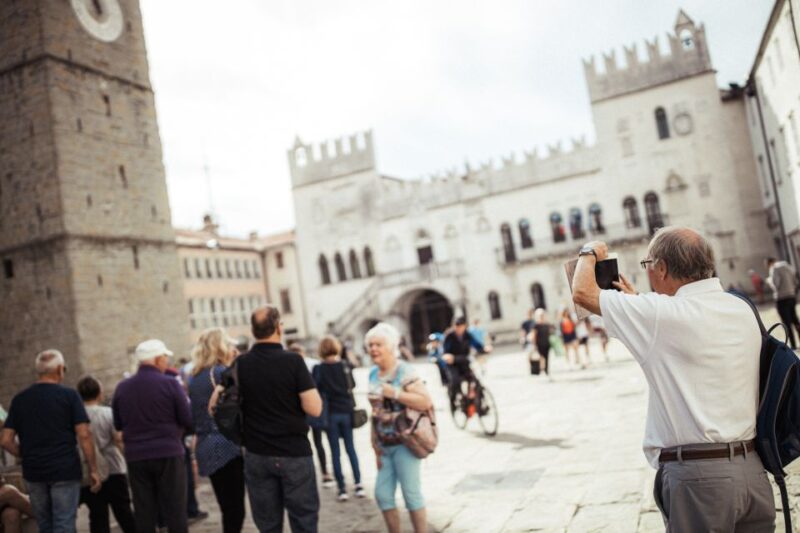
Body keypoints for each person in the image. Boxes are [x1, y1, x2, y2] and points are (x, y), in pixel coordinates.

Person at [572, 227, 775, 531]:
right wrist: (639, 303)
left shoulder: (660, 316)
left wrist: (590, 251)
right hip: (753, 473)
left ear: (662, 268)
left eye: (648, 264)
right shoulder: (740, 307)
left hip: (700, 480)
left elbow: (583, 293)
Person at [213, 305, 322, 533]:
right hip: (294, 452)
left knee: (268, 525)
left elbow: (213, 405)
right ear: (278, 327)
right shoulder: (293, 361)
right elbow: (314, 408)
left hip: (257, 453)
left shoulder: (240, 363)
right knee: (304, 521)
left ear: (253, 331)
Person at [0, 349, 101, 533]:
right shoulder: (70, 396)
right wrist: (93, 469)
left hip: (34, 472)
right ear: (60, 369)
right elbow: (84, 435)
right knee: (64, 523)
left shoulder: (20, 399)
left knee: (45, 525)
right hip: (64, 470)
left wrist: (24, 454)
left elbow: (6, 440)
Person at [112, 339, 193, 533]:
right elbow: (188, 419)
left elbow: (118, 424)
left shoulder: (122, 387)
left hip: (136, 456)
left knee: (144, 511)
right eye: (165, 358)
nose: (167, 362)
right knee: (175, 509)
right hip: (168, 453)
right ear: (157, 359)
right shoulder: (170, 384)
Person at [366, 323, 432, 533]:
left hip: (405, 442)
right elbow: (375, 412)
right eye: (370, 344)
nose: (373, 348)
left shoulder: (404, 370)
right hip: (384, 445)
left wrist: (394, 393)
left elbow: (424, 401)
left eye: (378, 344)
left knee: (411, 494)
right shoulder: (372, 374)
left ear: (391, 346)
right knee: (383, 494)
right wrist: (374, 444)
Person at [188, 328, 245, 533]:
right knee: (235, 509)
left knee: (226, 507)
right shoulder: (221, 373)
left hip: (205, 446)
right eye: (229, 344)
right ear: (220, 347)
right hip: (226, 444)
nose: (233, 348)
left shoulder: (194, 377)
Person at [76, 376, 136, 533]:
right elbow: (118, 439)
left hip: (90, 470)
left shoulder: (76, 416)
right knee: (124, 511)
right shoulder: (108, 413)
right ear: (99, 393)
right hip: (114, 467)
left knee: (97, 515)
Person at [312, 336, 364, 502]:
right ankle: (358, 484)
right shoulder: (344, 365)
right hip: (347, 411)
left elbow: (316, 389)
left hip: (330, 413)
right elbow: (353, 385)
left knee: (335, 451)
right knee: (351, 448)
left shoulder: (318, 369)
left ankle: (342, 488)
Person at [290, 342, 335, 489]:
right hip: (301, 413)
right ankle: (321, 472)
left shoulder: (311, 366)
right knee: (313, 443)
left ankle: (323, 472)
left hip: (308, 411)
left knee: (317, 442)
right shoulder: (309, 365)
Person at [442, 317, 489, 412]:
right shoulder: (449, 336)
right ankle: (453, 402)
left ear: (465, 326)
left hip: (464, 362)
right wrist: (447, 356)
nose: (459, 329)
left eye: (461, 326)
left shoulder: (467, 335)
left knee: (476, 382)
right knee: (455, 382)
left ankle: (480, 407)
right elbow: (444, 351)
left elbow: (476, 344)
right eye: (457, 326)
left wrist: (484, 348)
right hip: (452, 364)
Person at [766, 257, 800, 349]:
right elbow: (796, 281)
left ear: (769, 263)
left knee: (787, 323)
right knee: (795, 320)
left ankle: (793, 345)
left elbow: (776, 285)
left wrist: (770, 281)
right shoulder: (787, 266)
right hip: (791, 296)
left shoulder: (774, 269)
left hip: (782, 299)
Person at [529, 308, 553, 377]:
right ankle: (541, 370)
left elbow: (550, 333)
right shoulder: (535, 325)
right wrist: (534, 345)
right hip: (539, 344)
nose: (542, 316)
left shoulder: (546, 324)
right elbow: (534, 335)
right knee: (541, 358)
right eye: (541, 315)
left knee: (546, 357)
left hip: (546, 343)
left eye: (543, 315)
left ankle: (546, 370)